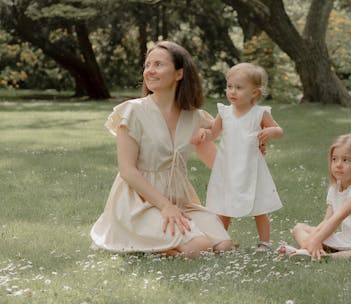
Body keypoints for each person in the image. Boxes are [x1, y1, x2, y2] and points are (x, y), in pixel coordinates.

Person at [90, 41, 233, 257]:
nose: (150, 71)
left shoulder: (194, 116)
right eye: (148, 65)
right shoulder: (133, 112)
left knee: (223, 246)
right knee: (199, 246)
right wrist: (165, 206)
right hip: (138, 202)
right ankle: (140, 241)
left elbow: (215, 162)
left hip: (180, 201)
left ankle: (162, 245)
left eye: (158, 64)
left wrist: (247, 152)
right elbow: (127, 170)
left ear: (179, 74)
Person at [191, 62, 283, 252]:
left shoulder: (259, 113)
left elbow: (279, 130)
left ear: (254, 92)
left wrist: (271, 131)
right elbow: (214, 134)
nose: (232, 91)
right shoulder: (224, 113)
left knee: (259, 208)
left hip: (251, 168)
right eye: (229, 86)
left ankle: (264, 242)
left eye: (239, 88)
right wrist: (203, 133)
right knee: (224, 208)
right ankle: (220, 240)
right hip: (227, 168)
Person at [280, 134, 351, 260]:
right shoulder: (335, 188)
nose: (338, 164)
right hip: (347, 239)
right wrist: (313, 238)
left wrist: (316, 239)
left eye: (346, 160)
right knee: (299, 228)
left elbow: (338, 218)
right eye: (334, 159)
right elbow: (327, 221)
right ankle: (309, 251)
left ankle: (327, 257)